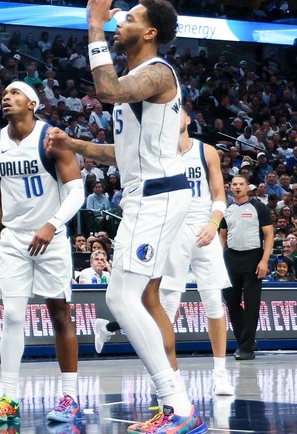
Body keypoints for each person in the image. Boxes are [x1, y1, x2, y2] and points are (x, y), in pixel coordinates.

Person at [47, 0, 200, 433]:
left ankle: (179, 408)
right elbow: (122, 154)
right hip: (152, 194)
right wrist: (74, 144)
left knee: (119, 297)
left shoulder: (158, 72)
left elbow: (107, 90)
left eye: (129, 18)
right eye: (117, 18)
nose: (119, 22)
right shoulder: (141, 81)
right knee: (142, 298)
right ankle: (173, 403)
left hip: (156, 198)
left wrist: (93, 27)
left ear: (151, 33)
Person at [97, 109, 235, 396]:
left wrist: (214, 223)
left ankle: (220, 372)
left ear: (187, 120)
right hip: (171, 228)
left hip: (203, 228)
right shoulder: (158, 154)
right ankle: (169, 373)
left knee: (212, 300)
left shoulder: (206, 151)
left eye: (180, 114)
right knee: (166, 303)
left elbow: (219, 194)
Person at [0, 82, 85, 424]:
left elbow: (76, 192)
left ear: (32, 103)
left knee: (59, 313)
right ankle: (8, 397)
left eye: (14, 93)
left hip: (50, 237)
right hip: (14, 240)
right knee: (12, 316)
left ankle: (70, 397)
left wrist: (52, 224)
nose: (6, 97)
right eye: (4, 93)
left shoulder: (52, 139)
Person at [220, 175, 273, 361]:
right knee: (231, 302)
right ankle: (246, 340)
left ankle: (246, 348)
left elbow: (269, 236)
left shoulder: (259, 207)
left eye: (241, 184)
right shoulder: (227, 210)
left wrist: (264, 260)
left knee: (252, 304)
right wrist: (220, 258)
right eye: (234, 184)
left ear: (247, 187)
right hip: (231, 258)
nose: (237, 187)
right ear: (230, 188)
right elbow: (223, 236)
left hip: (253, 258)